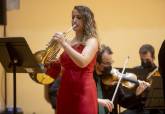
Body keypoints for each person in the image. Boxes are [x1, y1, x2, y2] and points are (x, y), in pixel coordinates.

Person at [47, 5, 99, 114]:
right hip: (65, 90)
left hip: (83, 91)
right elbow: (60, 69)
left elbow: (82, 62)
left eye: (79, 17)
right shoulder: (69, 42)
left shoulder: (92, 41)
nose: (74, 20)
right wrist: (51, 62)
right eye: (73, 17)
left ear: (87, 20)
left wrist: (64, 44)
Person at [94, 45, 150, 114]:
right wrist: (97, 100)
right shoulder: (88, 79)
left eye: (111, 62)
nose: (110, 66)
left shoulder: (113, 79)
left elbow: (124, 102)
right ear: (96, 63)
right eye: (107, 63)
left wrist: (136, 94)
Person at [122, 44, 164, 114]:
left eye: (147, 60)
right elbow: (130, 96)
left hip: (154, 108)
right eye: (142, 59)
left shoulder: (159, 72)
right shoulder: (135, 71)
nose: (144, 62)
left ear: (153, 57)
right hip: (138, 106)